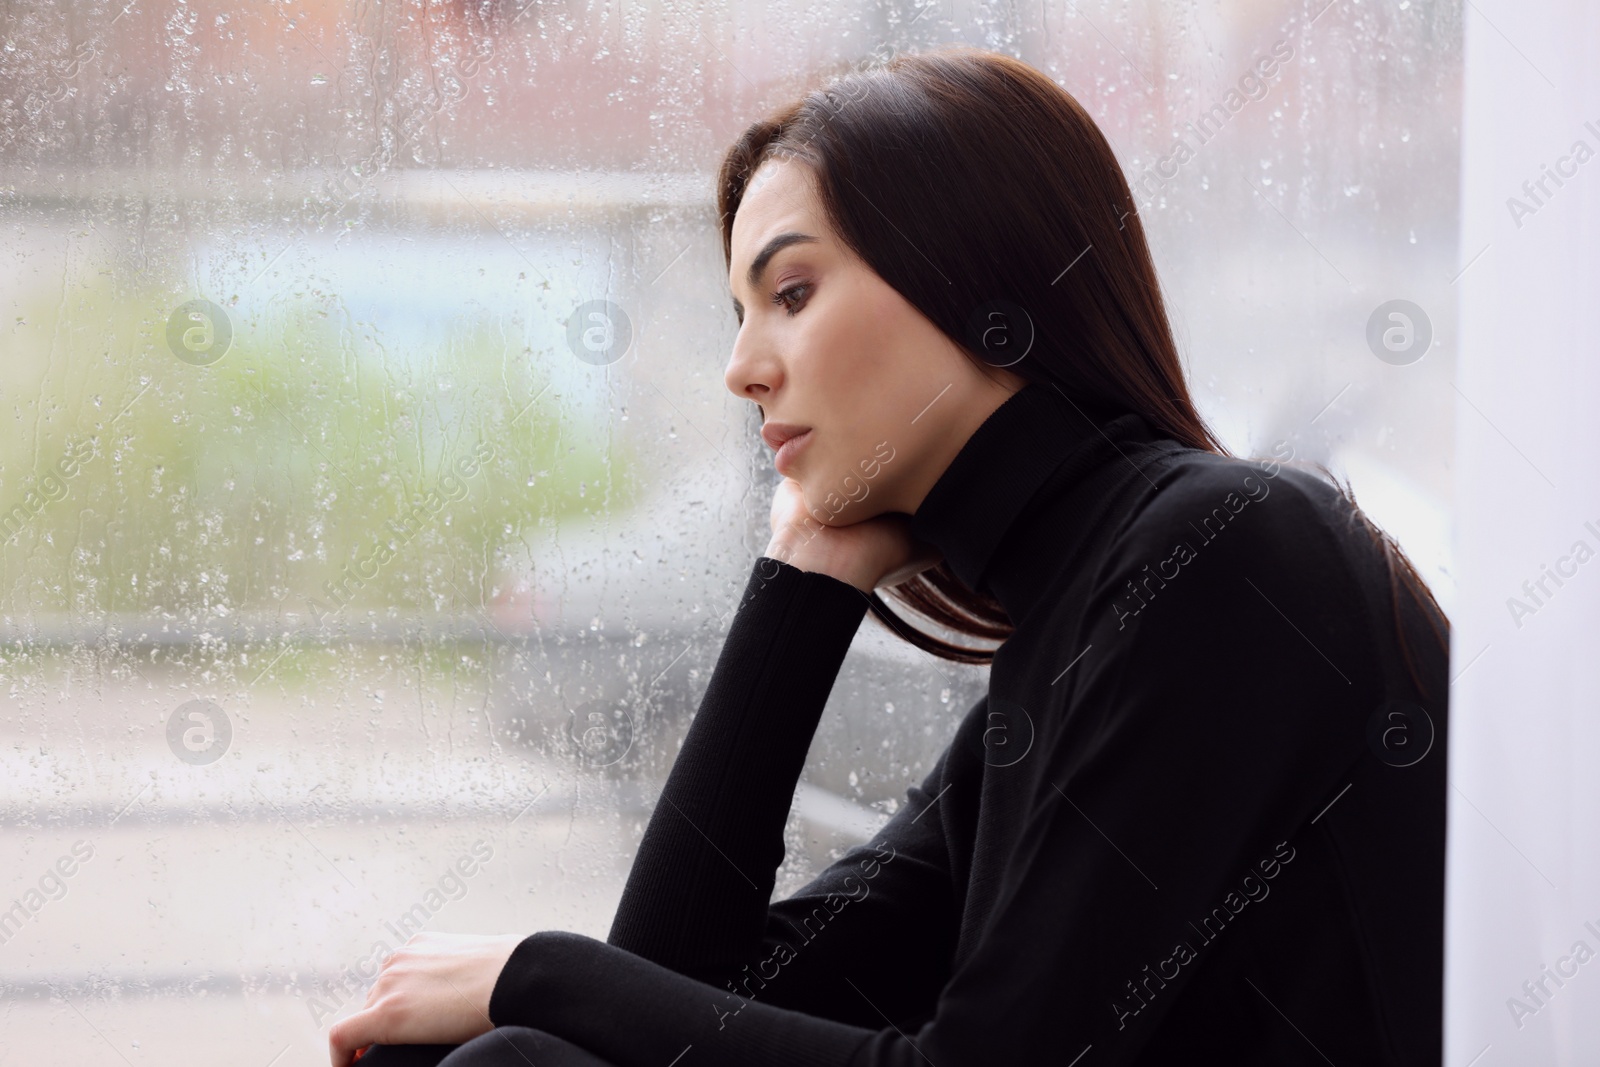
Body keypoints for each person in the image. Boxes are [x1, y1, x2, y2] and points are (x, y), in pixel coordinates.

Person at [330, 45, 1449, 1067]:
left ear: (976, 278)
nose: (742, 368)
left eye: (793, 291)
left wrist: (537, 967)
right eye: (738, 311)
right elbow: (678, 998)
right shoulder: (1066, 632)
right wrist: (802, 584)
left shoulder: (1226, 550)